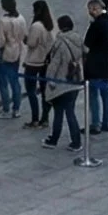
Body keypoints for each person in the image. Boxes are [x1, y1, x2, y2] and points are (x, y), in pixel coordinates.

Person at [42, 15, 84, 152]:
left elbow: (54, 65)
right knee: (69, 111)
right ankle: (73, 140)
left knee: (61, 113)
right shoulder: (78, 39)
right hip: (75, 80)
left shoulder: (60, 43)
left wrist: (50, 81)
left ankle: (59, 140)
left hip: (61, 83)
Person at [83, 0, 108, 135]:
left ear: (95, 9)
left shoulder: (96, 25)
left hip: (94, 64)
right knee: (105, 94)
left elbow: (87, 46)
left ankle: (95, 123)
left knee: (93, 95)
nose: (89, 12)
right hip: (107, 63)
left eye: (90, 9)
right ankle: (106, 122)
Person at [22, 0, 56, 129]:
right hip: (45, 62)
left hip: (33, 61)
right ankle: (45, 118)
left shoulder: (36, 26)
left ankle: (35, 119)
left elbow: (31, 43)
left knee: (31, 90)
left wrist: (25, 38)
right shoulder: (49, 25)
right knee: (44, 91)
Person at [0, 0, 27, 119]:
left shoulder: (4, 21)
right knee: (15, 82)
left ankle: (6, 109)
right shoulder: (21, 18)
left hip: (6, 52)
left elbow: (1, 41)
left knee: (3, 82)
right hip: (18, 51)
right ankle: (16, 109)